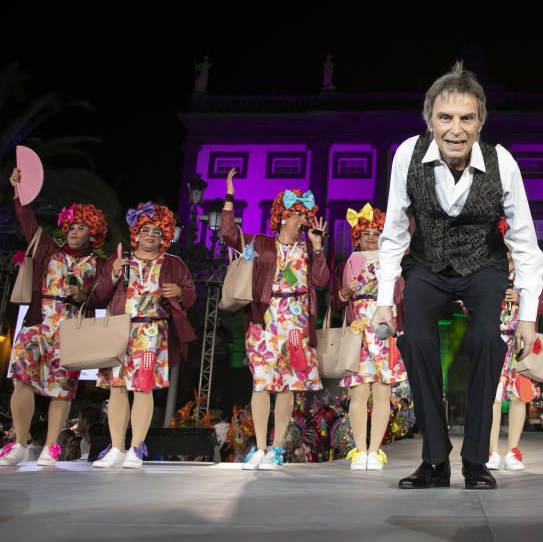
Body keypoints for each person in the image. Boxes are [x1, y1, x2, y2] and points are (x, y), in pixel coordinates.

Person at [372, 62, 543, 490]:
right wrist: (383, 301)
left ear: (480, 122)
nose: (456, 129)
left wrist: (527, 315)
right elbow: (393, 232)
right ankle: (433, 461)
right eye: (445, 118)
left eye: (467, 118)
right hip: (427, 264)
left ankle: (475, 460)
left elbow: (524, 242)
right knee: (417, 340)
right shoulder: (406, 155)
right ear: (429, 120)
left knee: (488, 338)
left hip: (483, 264)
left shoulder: (502, 162)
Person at [221, 170, 329, 470]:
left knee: (288, 387)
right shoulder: (261, 245)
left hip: (296, 325)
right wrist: (230, 195)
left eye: (305, 214)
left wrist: (318, 248)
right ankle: (259, 446)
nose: (303, 219)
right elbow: (229, 235)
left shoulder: (309, 248)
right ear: (282, 217)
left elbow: (321, 281)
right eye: (298, 214)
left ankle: (278, 448)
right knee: (261, 384)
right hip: (265, 322)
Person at [1, 168, 108, 467]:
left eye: (81, 228)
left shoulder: (98, 263)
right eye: (71, 227)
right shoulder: (48, 248)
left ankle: (51, 446)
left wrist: (83, 296)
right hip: (37, 324)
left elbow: (103, 295)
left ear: (93, 232)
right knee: (21, 379)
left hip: (70, 329)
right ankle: (20, 443)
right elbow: (26, 219)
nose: (74, 232)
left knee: (62, 390)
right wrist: (18, 191)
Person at [93, 202, 196, 468]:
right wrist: (113, 273)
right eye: (146, 230)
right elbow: (98, 295)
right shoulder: (119, 260)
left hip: (151, 331)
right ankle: (116, 447)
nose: (151, 235)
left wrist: (180, 293)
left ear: (165, 236)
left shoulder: (173, 263)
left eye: (157, 232)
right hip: (118, 328)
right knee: (116, 388)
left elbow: (191, 294)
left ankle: (136, 447)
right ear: (136, 233)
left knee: (143, 388)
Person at [329, 203, 407, 471]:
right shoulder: (348, 264)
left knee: (382, 392)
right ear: (357, 237)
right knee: (358, 392)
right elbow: (334, 302)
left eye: (376, 232)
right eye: (367, 233)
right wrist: (344, 293)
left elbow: (403, 296)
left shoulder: (393, 262)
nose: (372, 237)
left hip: (384, 328)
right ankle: (359, 450)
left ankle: (375, 451)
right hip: (358, 329)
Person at [486, 219, 543, 472]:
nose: (509, 247)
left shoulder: (527, 273)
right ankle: (490, 452)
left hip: (520, 342)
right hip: (494, 339)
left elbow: (542, 305)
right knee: (493, 398)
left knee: (519, 397)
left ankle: (513, 450)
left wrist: (523, 298)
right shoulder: (490, 271)